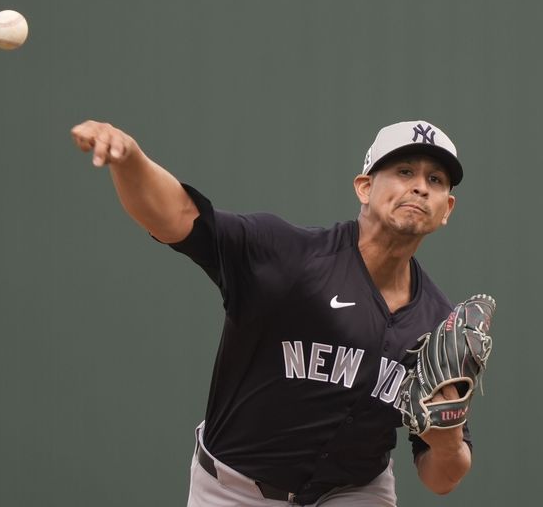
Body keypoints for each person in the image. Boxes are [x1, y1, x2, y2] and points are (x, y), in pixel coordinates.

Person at [71, 119, 473, 506]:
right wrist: (130, 160)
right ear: (364, 187)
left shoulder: (440, 324)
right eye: (404, 171)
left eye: (435, 180)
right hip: (235, 490)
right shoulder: (290, 258)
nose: (420, 187)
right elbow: (178, 217)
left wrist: (448, 443)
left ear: (447, 208)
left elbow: (440, 480)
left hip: (354, 492)